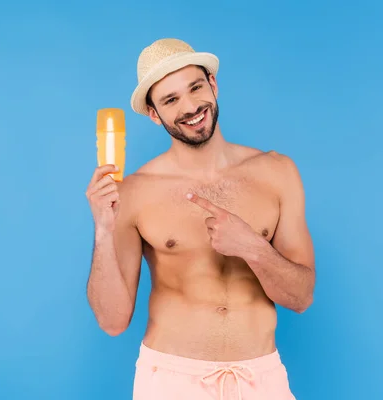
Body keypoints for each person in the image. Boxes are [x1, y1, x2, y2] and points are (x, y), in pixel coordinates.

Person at [85, 38, 315, 400]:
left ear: (213, 84)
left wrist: (253, 248)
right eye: (171, 100)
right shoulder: (134, 193)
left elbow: (301, 297)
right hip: (171, 380)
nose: (191, 107)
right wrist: (102, 229)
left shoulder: (277, 172)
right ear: (153, 113)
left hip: (260, 379)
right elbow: (112, 321)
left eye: (195, 88)